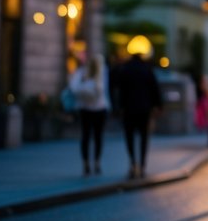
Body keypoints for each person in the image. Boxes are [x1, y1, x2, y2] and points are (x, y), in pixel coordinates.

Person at [113, 49, 163, 179]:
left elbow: (120, 90)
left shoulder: (126, 69)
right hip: (144, 108)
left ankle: (132, 163)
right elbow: (154, 88)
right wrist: (158, 105)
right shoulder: (147, 69)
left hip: (129, 108)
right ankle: (142, 165)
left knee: (129, 137)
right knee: (144, 137)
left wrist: (119, 107)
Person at [70, 54, 110, 175]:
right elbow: (103, 90)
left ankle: (88, 163)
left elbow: (74, 87)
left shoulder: (85, 73)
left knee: (87, 136)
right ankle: (94, 163)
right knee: (96, 136)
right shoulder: (96, 73)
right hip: (97, 108)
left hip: (87, 108)